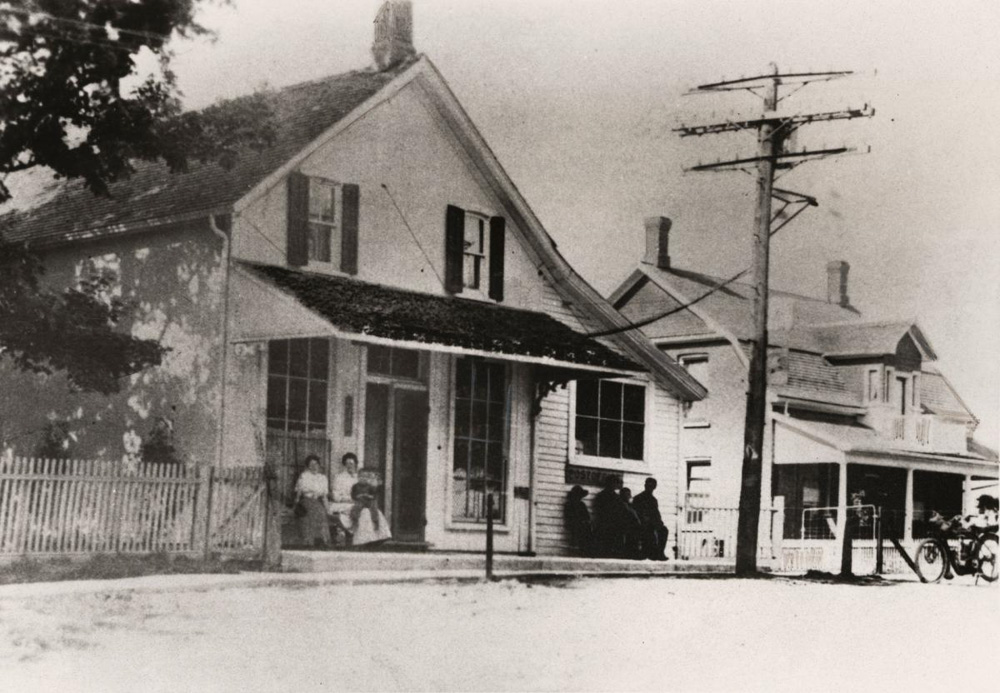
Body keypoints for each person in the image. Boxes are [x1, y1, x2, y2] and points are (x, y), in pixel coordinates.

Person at [294, 455, 331, 548]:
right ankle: (309, 541)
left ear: (319, 465)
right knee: (313, 513)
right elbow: (299, 492)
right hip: (306, 501)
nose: (314, 466)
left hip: (318, 502)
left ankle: (323, 541)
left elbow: (324, 496)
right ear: (308, 466)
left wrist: (328, 509)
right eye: (311, 464)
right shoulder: (304, 476)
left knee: (322, 513)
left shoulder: (323, 478)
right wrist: (295, 504)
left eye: (316, 464)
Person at [633, 477, 669, 560]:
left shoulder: (653, 500)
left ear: (655, 487)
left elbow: (656, 513)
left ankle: (660, 553)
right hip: (640, 523)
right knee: (648, 531)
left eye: (652, 486)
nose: (650, 487)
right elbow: (636, 513)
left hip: (652, 523)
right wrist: (644, 520)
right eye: (648, 485)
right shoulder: (638, 498)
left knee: (663, 530)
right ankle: (647, 553)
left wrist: (659, 522)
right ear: (645, 485)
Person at [328, 453, 360, 545]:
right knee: (351, 511)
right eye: (347, 463)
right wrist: (349, 499)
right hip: (342, 504)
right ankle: (343, 536)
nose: (350, 466)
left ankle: (358, 539)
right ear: (344, 465)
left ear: (355, 464)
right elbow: (335, 496)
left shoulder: (358, 478)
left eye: (352, 463)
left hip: (356, 503)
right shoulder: (339, 477)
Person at [349, 480, 391, 547]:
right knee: (357, 510)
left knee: (374, 511)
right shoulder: (355, 486)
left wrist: (368, 496)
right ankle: (355, 523)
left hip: (369, 502)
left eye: (365, 477)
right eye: (361, 477)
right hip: (360, 502)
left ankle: (376, 525)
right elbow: (353, 496)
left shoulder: (370, 486)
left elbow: (373, 496)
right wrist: (358, 496)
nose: (363, 478)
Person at [592, 474, 626, 558]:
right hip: (604, 523)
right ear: (608, 483)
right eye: (612, 483)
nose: (614, 485)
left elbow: (621, 510)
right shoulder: (601, 496)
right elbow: (599, 510)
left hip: (616, 524)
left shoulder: (617, 497)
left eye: (615, 483)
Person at [565, 485, 594, 557]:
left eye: (579, 495)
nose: (578, 497)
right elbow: (569, 517)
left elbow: (587, 516)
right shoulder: (569, 505)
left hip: (584, 527)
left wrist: (586, 522)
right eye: (577, 495)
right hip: (574, 527)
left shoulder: (582, 504)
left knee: (585, 543)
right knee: (575, 544)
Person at [619, 487, 642, 559]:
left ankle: (636, 552)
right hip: (624, 526)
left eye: (629, 494)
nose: (628, 496)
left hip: (633, 526)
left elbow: (635, 515)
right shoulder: (620, 505)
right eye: (626, 494)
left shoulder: (630, 505)